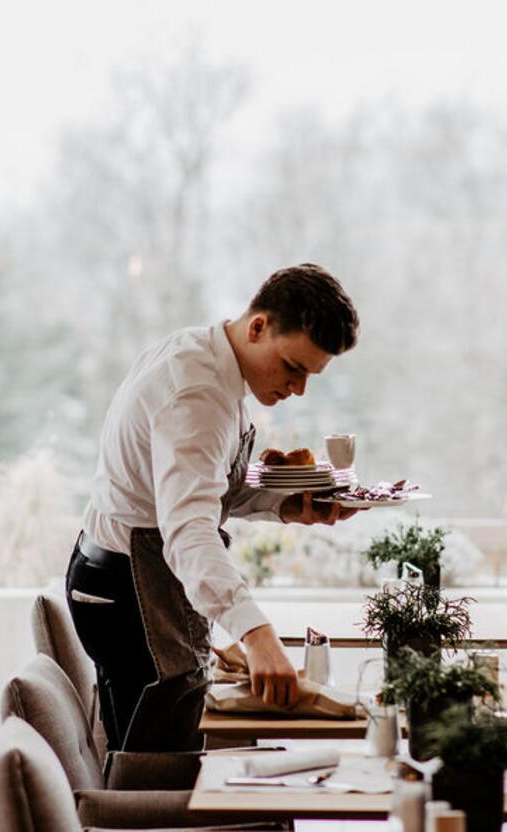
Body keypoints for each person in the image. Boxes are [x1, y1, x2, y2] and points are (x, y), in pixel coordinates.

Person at [65, 263, 361, 752]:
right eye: (293, 367)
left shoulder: (202, 354)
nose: (298, 389)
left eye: (310, 375)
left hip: (133, 574)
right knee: (160, 765)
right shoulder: (198, 393)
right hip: (132, 587)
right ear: (259, 326)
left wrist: (289, 506)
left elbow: (204, 489)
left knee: (174, 750)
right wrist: (257, 634)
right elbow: (187, 530)